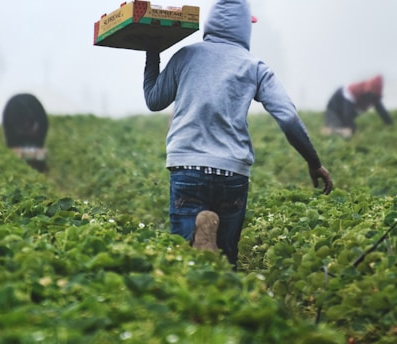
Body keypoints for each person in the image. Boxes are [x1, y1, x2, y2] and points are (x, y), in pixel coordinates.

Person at [142, 0, 333, 269]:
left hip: (187, 166)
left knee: (184, 261)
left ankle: (198, 238)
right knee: (226, 261)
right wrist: (313, 162)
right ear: (245, 28)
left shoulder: (185, 56)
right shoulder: (255, 66)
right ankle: (219, 273)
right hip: (232, 171)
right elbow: (288, 117)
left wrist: (152, 52)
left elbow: (153, 100)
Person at [322, 74, 392, 138]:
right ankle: (328, 130)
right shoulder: (353, 91)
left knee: (346, 129)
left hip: (350, 109)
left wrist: (390, 124)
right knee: (341, 130)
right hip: (334, 107)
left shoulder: (374, 95)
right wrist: (353, 129)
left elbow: (381, 110)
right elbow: (347, 114)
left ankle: (339, 129)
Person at [2, 93, 49, 173]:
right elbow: (12, 145)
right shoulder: (10, 119)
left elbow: (40, 150)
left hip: (35, 129)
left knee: (37, 156)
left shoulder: (39, 119)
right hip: (16, 134)